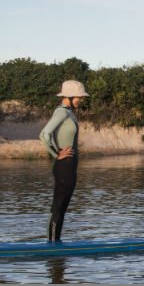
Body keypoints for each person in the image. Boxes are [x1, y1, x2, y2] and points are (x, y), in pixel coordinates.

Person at [39, 80, 89, 242]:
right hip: (64, 165)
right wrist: (56, 154)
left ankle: (56, 241)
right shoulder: (61, 112)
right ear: (69, 96)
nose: (80, 100)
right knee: (58, 206)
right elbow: (44, 134)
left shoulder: (69, 112)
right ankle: (52, 244)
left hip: (71, 165)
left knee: (63, 207)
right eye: (79, 97)